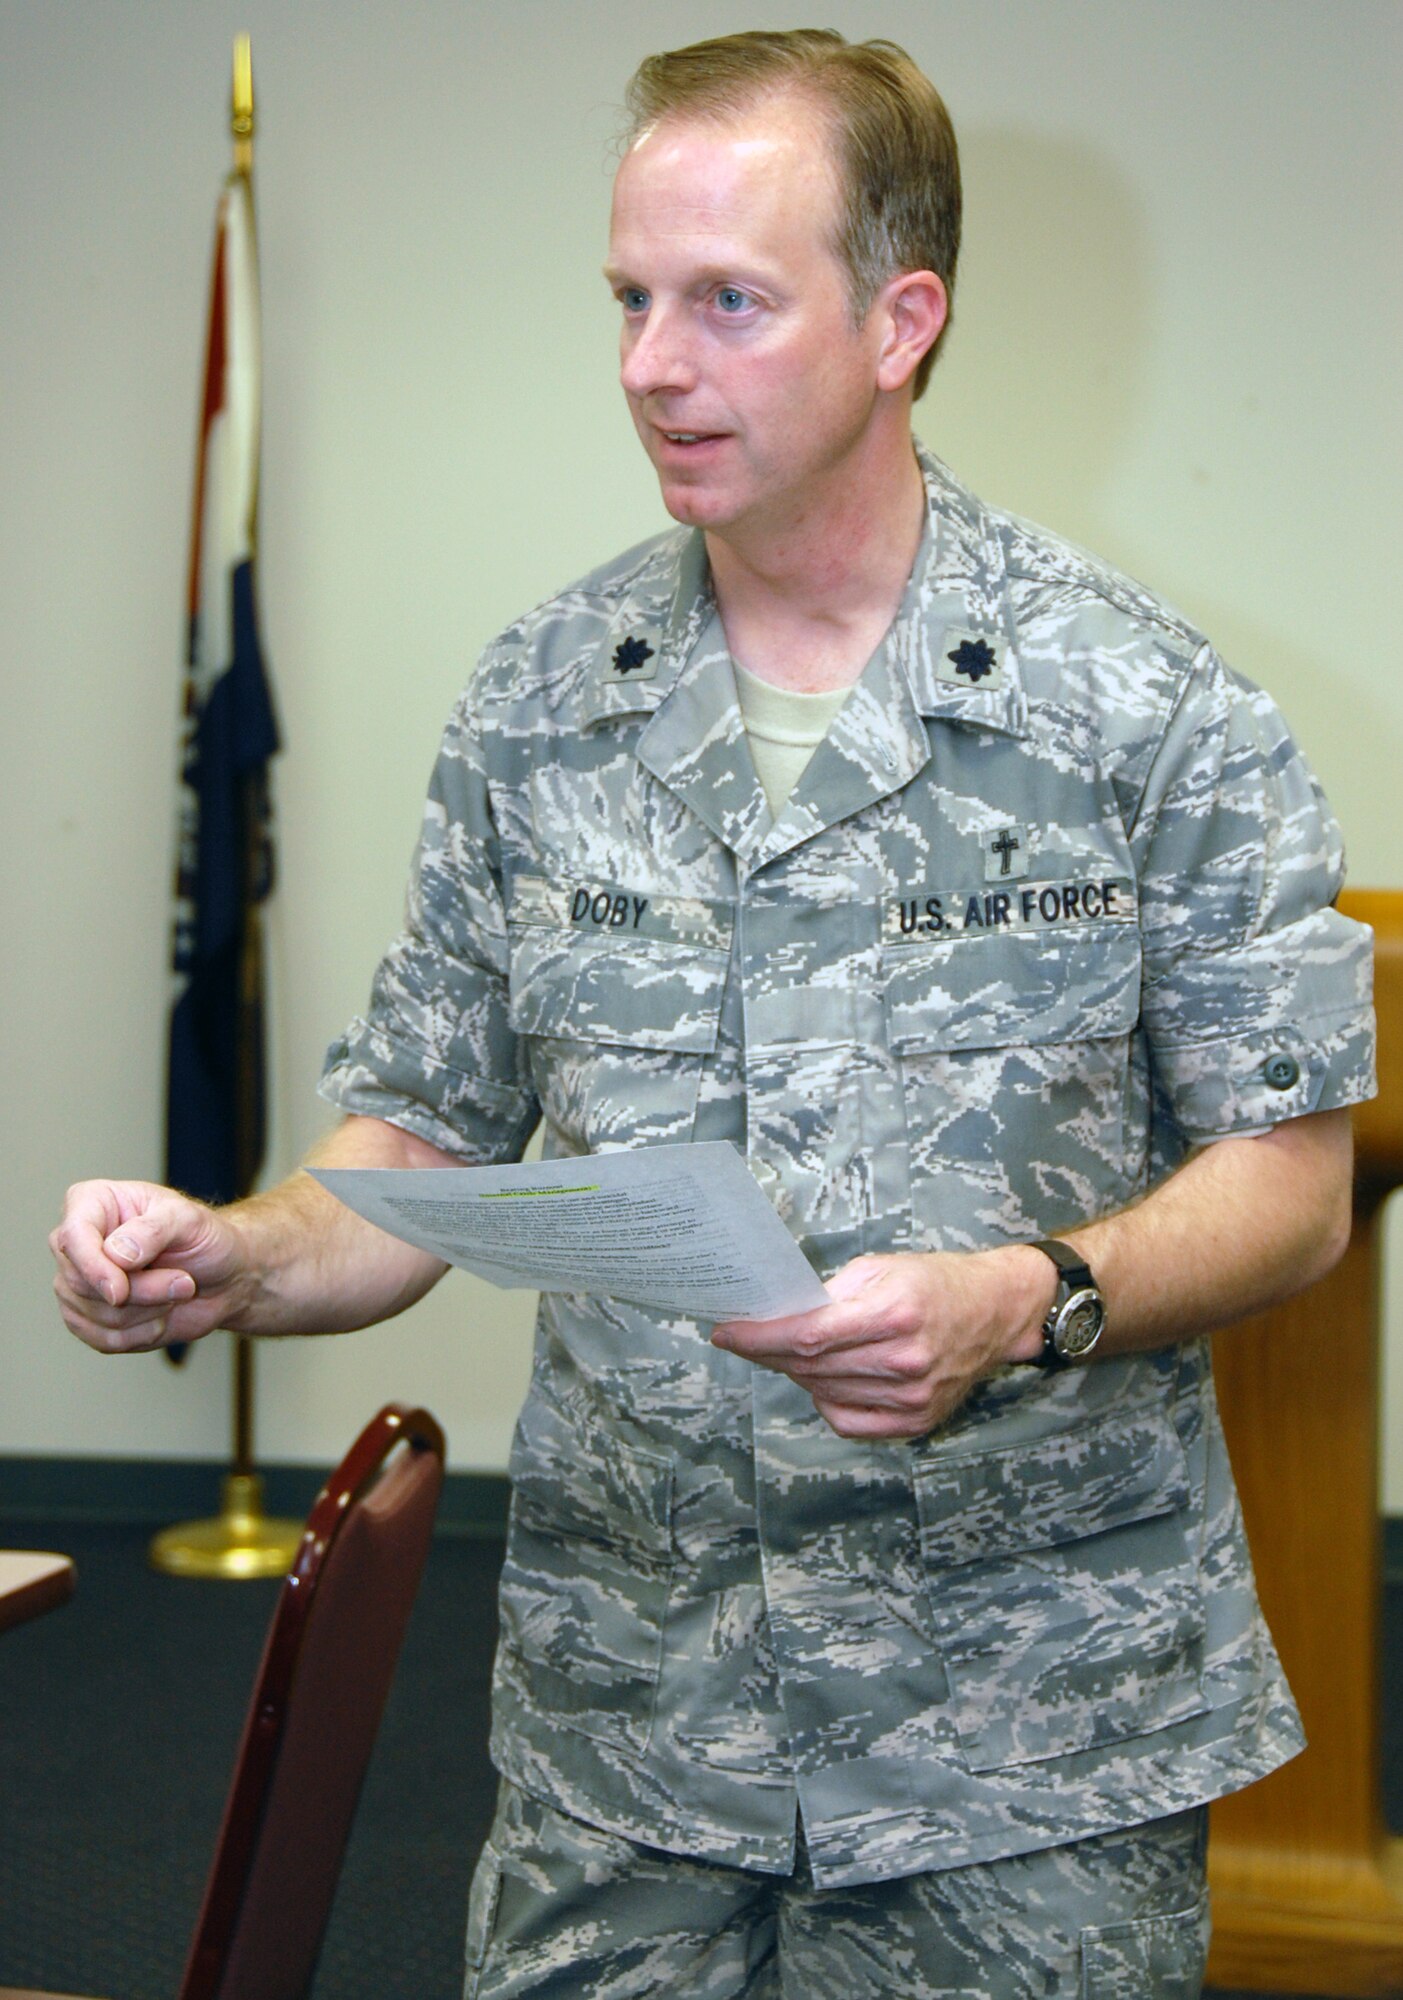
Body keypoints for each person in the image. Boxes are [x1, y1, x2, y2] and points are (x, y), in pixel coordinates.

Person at [52, 29, 1374, 1999]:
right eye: (631, 299)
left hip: (1020, 1752)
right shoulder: (540, 705)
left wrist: (1030, 1298)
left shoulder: (1148, 715)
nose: (652, 365)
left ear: (901, 317)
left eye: (728, 304)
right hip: (628, 1737)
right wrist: (231, 1250)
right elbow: (410, 1141)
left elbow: (1292, 1183)